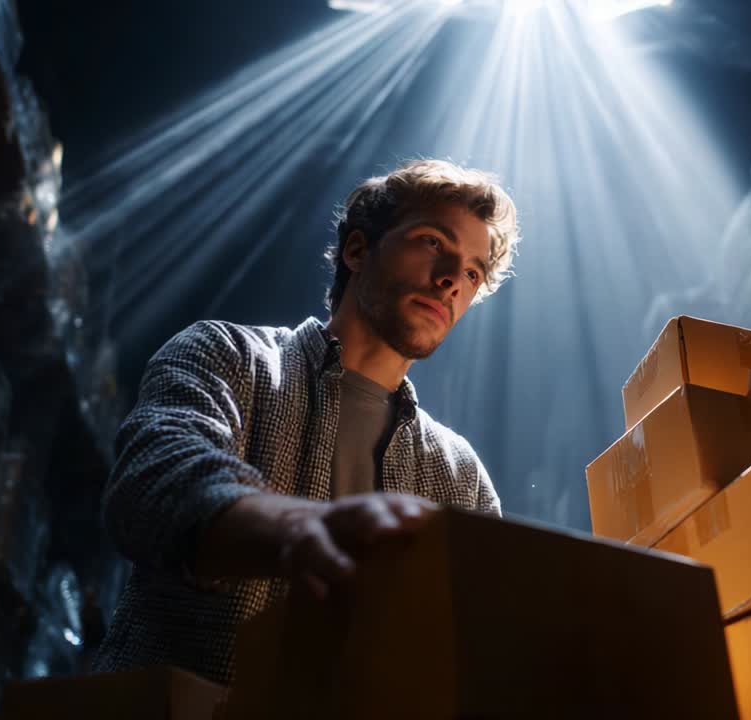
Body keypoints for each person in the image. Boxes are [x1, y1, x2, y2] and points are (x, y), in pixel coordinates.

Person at [90, 159, 520, 685]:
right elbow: (154, 480)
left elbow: (489, 644)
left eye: (473, 271)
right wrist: (299, 530)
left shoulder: (461, 477)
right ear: (357, 249)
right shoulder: (226, 355)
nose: (453, 279)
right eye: (433, 242)